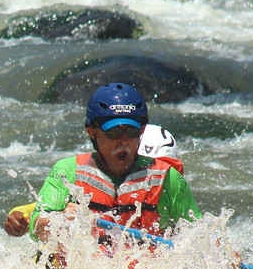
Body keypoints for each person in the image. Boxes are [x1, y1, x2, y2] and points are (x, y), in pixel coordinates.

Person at [27, 82, 201, 249]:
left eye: (132, 132)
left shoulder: (169, 178)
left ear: (141, 132)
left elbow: (199, 235)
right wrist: (59, 220)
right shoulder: (66, 171)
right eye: (113, 132)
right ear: (92, 133)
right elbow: (36, 227)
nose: (123, 141)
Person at [3, 123, 182, 236]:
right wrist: (19, 215)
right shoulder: (88, 186)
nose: (152, 179)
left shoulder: (173, 192)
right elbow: (39, 210)